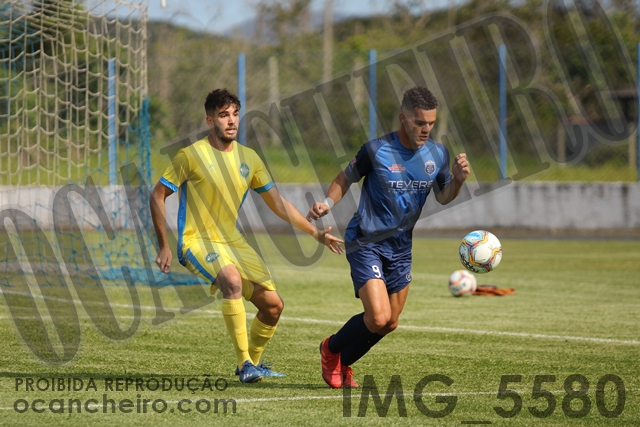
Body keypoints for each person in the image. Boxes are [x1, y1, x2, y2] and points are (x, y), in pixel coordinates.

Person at [150, 88, 344, 384]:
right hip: (196, 241)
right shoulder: (190, 156)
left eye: (235, 114)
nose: (231, 121)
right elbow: (158, 195)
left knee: (273, 306)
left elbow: (278, 204)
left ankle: (253, 361)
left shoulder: (249, 159)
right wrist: (164, 245)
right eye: (223, 115)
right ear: (210, 120)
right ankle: (244, 365)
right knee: (232, 280)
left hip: (232, 242)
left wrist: (316, 233)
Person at [307, 86, 470, 388]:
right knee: (378, 317)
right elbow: (345, 177)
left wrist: (458, 182)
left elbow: (444, 195)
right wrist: (327, 203)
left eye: (431, 123)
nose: (426, 129)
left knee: (390, 322)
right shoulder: (376, 150)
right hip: (365, 241)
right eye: (420, 122)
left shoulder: (437, 154)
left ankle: (344, 362)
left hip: (401, 247)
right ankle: (330, 348)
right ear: (403, 118)